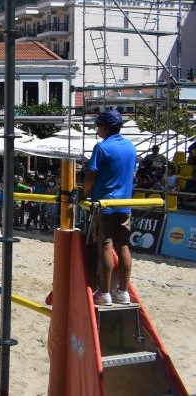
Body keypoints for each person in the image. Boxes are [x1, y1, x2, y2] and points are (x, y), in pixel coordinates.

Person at [82, 110, 137, 306]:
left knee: (105, 244)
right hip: (125, 204)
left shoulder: (102, 148)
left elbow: (90, 176)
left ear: (105, 127)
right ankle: (123, 291)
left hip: (105, 204)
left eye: (98, 126)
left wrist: (83, 195)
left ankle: (104, 293)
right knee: (123, 246)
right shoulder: (131, 147)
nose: (97, 129)